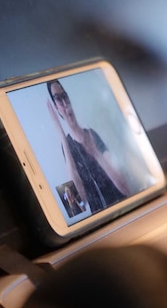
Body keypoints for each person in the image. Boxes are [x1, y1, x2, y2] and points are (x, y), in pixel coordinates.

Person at [46, 79, 130, 213]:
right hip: (102, 221)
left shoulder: (92, 134)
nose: (64, 103)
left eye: (65, 96)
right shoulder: (66, 147)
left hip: (125, 207)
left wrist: (96, 152)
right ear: (56, 107)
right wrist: (62, 136)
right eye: (58, 99)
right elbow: (76, 206)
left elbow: (125, 186)